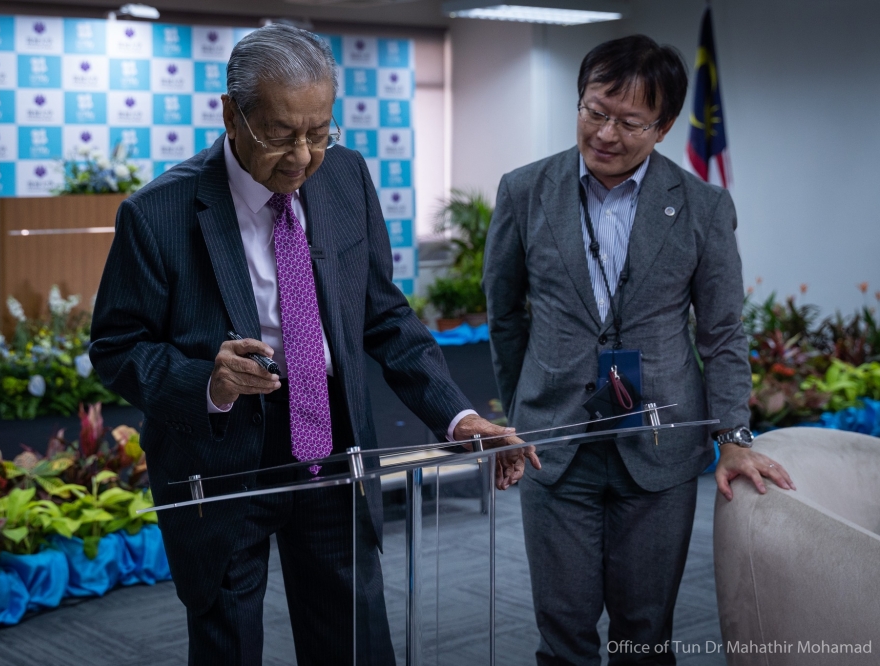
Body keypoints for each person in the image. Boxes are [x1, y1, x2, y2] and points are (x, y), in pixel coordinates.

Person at [90, 24, 536, 665]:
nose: (302, 156)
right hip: (221, 457)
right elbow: (115, 346)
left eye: (319, 132)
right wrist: (207, 383)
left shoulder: (347, 178)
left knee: (352, 639)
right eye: (280, 134)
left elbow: (385, 318)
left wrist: (458, 418)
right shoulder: (158, 212)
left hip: (333, 440)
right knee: (228, 644)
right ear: (231, 115)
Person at [484, 35, 795, 665]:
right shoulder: (523, 192)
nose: (605, 133)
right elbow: (504, 315)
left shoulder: (704, 207)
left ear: (664, 126)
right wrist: (524, 413)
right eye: (594, 111)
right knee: (563, 635)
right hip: (555, 443)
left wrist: (734, 433)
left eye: (629, 122)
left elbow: (723, 332)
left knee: (643, 634)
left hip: (661, 445)